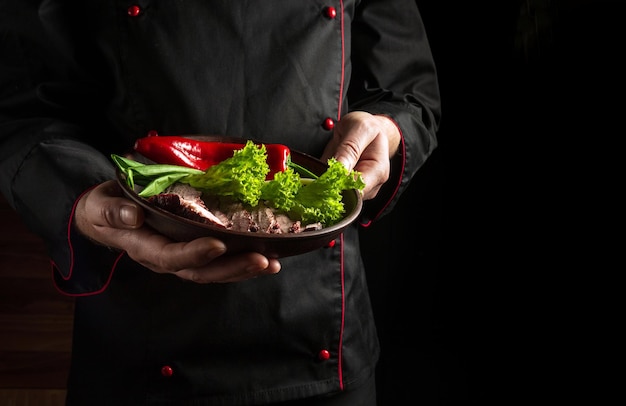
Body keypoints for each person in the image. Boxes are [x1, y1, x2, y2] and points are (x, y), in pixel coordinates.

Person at [0, 1, 440, 404]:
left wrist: (386, 130)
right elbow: (21, 106)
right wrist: (83, 200)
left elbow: (409, 91)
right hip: (141, 327)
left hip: (319, 330)